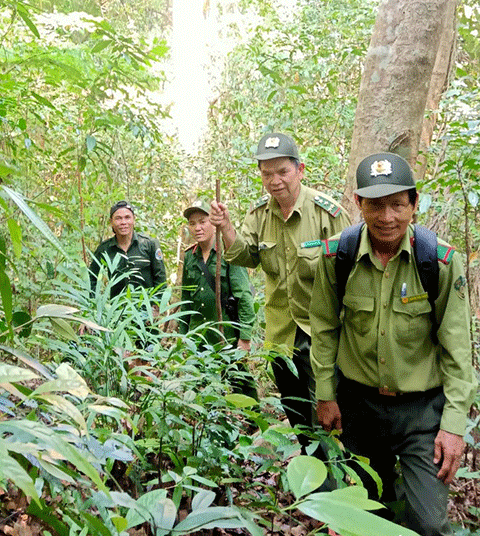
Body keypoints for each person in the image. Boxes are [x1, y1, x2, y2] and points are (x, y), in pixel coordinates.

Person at [310, 152, 476, 536]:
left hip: (423, 413)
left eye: (397, 204)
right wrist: (325, 394)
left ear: (414, 204)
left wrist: (454, 426)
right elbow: (325, 329)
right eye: (375, 205)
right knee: (377, 511)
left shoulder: (436, 261)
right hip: (360, 407)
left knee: (430, 524)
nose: (387, 217)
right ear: (358, 204)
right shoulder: (337, 257)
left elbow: (458, 350)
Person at [209, 132, 350, 453]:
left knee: (331, 418)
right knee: (297, 414)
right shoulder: (259, 214)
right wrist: (226, 227)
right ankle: (315, 484)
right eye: (266, 174)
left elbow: (352, 276)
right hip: (281, 338)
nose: (274, 181)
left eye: (282, 171)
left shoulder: (326, 213)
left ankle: (337, 486)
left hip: (323, 336)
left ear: (300, 170)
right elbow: (245, 256)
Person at [180, 198, 259, 402]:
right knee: (200, 385)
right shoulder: (190, 256)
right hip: (199, 334)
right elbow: (186, 299)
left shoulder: (228, 252)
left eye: (203, 221)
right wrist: (183, 336)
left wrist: (245, 337)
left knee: (239, 380)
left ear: (213, 221)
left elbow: (243, 295)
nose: (197, 228)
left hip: (228, 332)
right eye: (192, 223)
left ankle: (253, 424)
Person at [89, 200, 167, 305]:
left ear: (134, 219)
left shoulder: (149, 244)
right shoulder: (105, 249)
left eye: (127, 217)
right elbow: (91, 278)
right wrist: (96, 304)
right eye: (118, 218)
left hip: (146, 310)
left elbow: (160, 278)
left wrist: (156, 306)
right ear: (111, 222)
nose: (123, 222)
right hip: (117, 312)